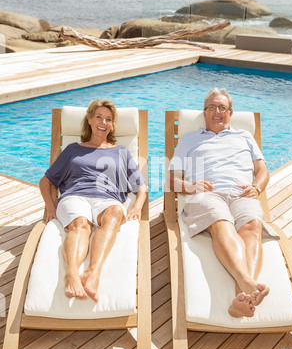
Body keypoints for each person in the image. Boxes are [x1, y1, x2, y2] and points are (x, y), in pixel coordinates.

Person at [169, 87, 279, 319]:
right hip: (208, 193)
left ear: (230, 113)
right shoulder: (189, 139)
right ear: (205, 112)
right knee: (222, 223)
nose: (217, 111)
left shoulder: (245, 137)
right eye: (211, 107)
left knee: (253, 226)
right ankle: (249, 286)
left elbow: (262, 170)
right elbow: (172, 179)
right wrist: (190, 187)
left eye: (222, 107)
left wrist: (256, 187)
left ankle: (243, 296)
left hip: (242, 193)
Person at [39, 99, 147, 303]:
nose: (103, 122)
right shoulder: (73, 149)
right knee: (81, 224)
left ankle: (92, 272)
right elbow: (46, 181)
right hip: (75, 196)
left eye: (109, 119)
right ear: (89, 119)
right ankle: (71, 273)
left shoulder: (121, 151)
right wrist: (50, 207)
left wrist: (137, 206)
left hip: (107, 199)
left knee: (115, 214)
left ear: (112, 125)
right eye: (99, 116)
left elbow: (140, 187)